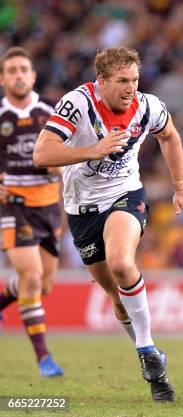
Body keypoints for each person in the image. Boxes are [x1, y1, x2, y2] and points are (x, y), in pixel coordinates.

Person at [33, 46, 183, 402]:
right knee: (117, 298)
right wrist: (91, 150)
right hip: (81, 209)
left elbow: (170, 135)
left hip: (125, 195)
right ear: (101, 82)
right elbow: (42, 153)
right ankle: (155, 365)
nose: (130, 88)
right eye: (122, 81)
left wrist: (181, 188)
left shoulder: (148, 106)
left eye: (135, 80)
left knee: (123, 263)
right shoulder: (77, 104)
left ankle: (146, 349)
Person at [0, 47, 64, 377]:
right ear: (3, 78)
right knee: (31, 275)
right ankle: (44, 359)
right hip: (13, 206)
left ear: (33, 75)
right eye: (11, 70)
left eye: (24, 69)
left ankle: (4, 297)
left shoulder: (50, 112)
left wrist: (60, 169)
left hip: (49, 206)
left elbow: (67, 155)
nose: (18, 75)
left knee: (44, 286)